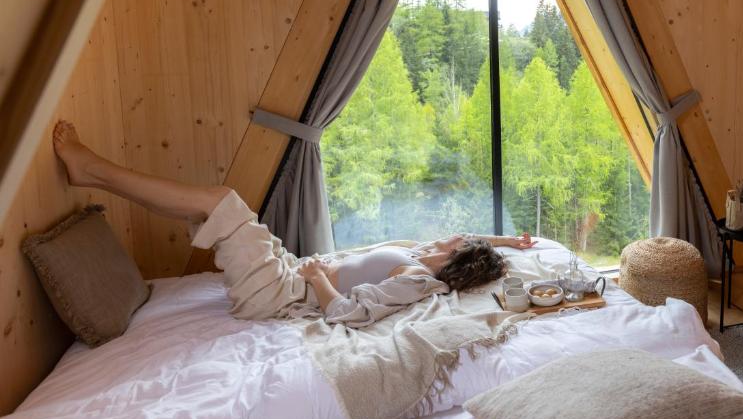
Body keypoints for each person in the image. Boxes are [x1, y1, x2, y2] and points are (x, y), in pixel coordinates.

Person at [51, 120, 535, 324]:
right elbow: (471, 240)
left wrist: (320, 279)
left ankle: (91, 168)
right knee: (208, 209)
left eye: (455, 243)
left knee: (222, 202)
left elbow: (348, 314)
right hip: (291, 270)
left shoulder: (417, 280)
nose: (451, 235)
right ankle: (94, 174)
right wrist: (511, 240)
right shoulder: (421, 257)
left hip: (282, 294)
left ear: (452, 260)